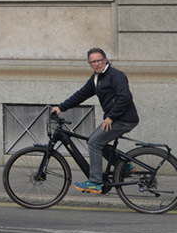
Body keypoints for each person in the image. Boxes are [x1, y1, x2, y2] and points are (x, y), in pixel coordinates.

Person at [52, 47, 138, 194]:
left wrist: (111, 117)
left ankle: (95, 182)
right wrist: (61, 107)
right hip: (115, 118)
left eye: (99, 60)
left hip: (124, 119)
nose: (97, 64)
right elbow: (82, 94)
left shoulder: (116, 75)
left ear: (105, 60)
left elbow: (125, 98)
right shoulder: (96, 78)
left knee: (94, 142)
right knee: (94, 139)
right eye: (93, 62)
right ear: (89, 63)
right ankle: (123, 165)